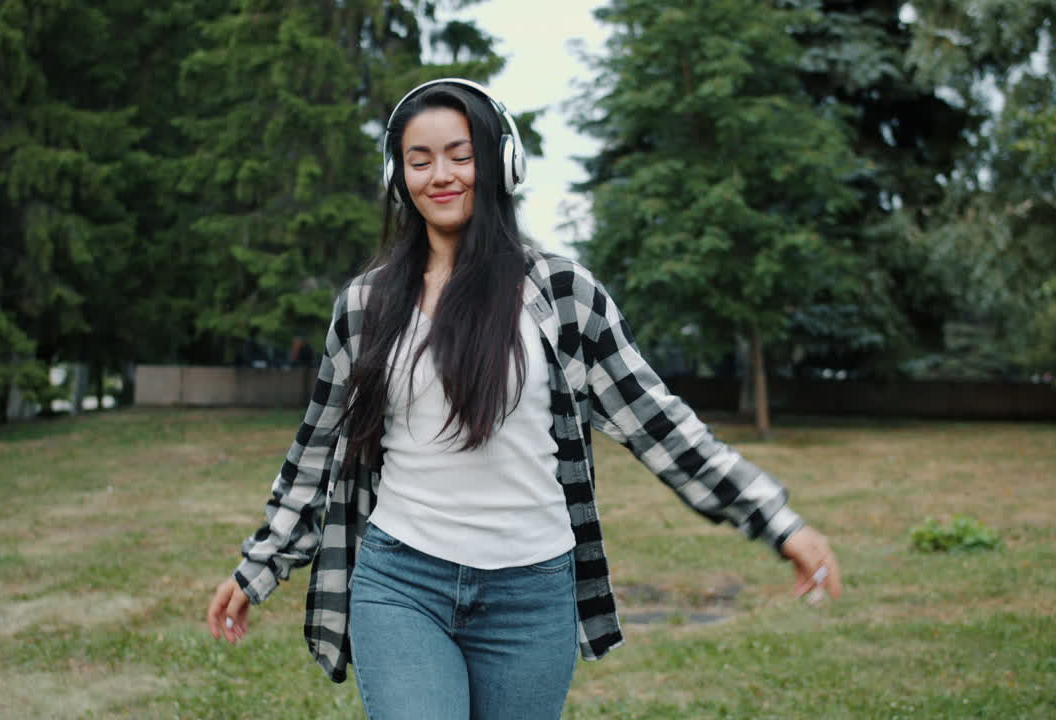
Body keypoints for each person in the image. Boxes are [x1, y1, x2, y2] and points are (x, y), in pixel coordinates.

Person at [206, 78, 843, 720]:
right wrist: (257, 567)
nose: (441, 176)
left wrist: (774, 519)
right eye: (419, 160)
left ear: (502, 160)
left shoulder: (565, 296)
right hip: (401, 583)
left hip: (531, 594)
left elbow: (660, 425)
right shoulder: (366, 306)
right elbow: (316, 453)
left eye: (461, 154)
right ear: (399, 177)